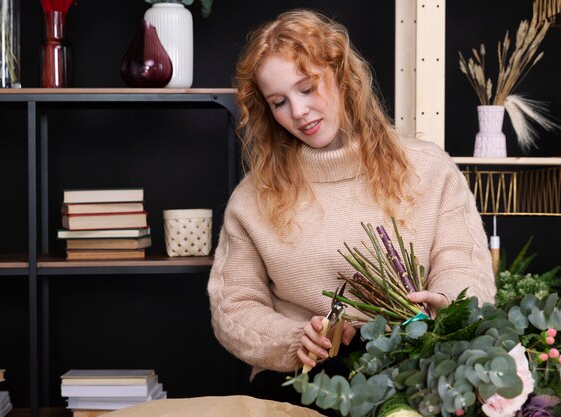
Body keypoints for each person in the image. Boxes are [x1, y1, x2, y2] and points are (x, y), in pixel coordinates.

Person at [207, 8, 496, 407]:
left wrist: (445, 306)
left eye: (307, 88)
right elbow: (234, 308)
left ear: (342, 76)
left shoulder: (429, 169)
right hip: (303, 385)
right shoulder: (253, 197)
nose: (299, 112)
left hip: (417, 370)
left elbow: (465, 265)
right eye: (279, 102)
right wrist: (294, 340)